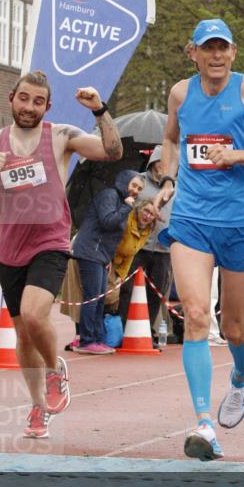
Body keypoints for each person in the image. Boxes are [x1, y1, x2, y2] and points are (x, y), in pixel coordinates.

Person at [155, 18, 244, 461]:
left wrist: (237, 154)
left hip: (240, 221)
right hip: (193, 218)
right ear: (191, 52)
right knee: (196, 314)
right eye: (207, 48)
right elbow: (172, 139)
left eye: (223, 48)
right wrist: (167, 178)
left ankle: (239, 377)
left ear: (233, 53)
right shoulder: (180, 93)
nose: (216, 56)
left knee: (234, 327)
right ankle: (203, 424)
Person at [0, 71, 123, 439]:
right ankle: (38, 406)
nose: (29, 107)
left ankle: (55, 370)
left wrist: (100, 110)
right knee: (23, 335)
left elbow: (112, 152)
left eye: (38, 101)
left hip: (50, 241)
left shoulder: (60, 135)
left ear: (47, 106)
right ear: (11, 98)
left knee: (37, 316)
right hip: (10, 249)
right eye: (24, 99)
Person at [71, 169, 141, 354]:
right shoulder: (110, 195)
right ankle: (86, 341)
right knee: (92, 297)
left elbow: (113, 235)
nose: (135, 191)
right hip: (89, 250)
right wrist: (127, 207)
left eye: (139, 189)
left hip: (101, 254)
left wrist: (108, 257)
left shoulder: (121, 201)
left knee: (100, 298)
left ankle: (96, 338)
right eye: (133, 185)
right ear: (124, 181)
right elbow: (108, 221)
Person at [131, 146, 174, 342]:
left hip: (164, 249)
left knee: (157, 290)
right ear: (152, 162)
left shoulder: (177, 187)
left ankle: (148, 331)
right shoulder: (138, 181)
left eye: (167, 163)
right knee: (129, 289)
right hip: (138, 246)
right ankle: (127, 327)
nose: (163, 167)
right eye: (160, 162)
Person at [113, 198, 158, 329]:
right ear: (139, 208)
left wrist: (121, 275)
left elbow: (131, 253)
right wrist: (106, 260)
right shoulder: (127, 220)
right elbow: (112, 241)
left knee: (112, 297)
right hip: (106, 258)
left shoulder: (146, 230)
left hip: (119, 263)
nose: (147, 216)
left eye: (152, 214)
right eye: (146, 211)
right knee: (110, 298)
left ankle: (115, 331)